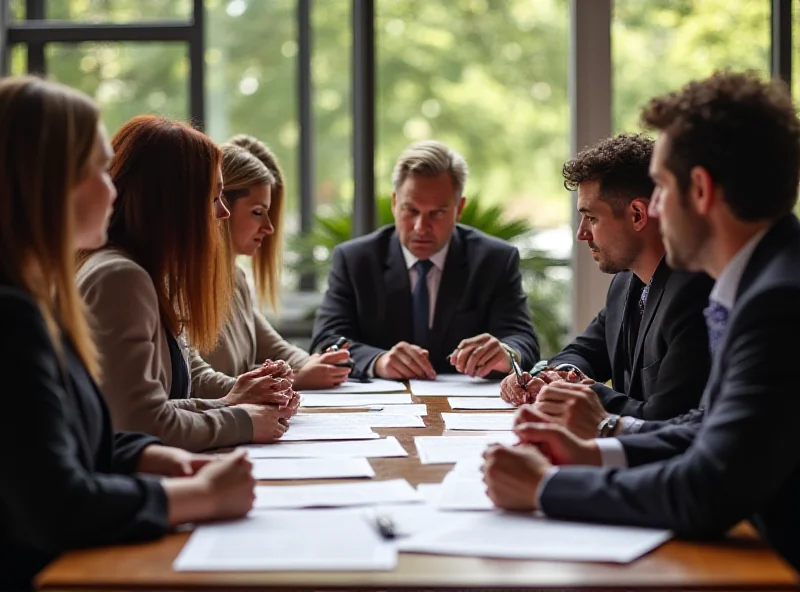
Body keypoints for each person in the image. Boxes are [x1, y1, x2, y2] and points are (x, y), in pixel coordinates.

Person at [482, 71, 800, 571]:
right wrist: (599, 450)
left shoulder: (778, 303)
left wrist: (547, 487)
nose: (653, 208)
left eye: (661, 189)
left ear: (700, 190)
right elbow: (708, 429)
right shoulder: (762, 282)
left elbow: (707, 487)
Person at [0, 76, 256, 591]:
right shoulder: (12, 316)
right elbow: (54, 505)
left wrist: (141, 453)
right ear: (49, 183)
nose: (115, 187)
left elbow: (58, 439)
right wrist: (201, 496)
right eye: (100, 170)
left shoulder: (40, 295)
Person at [77, 116, 298, 452]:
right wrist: (241, 419)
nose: (222, 213)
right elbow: (140, 424)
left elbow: (160, 406)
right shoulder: (120, 278)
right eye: (214, 198)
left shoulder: (147, 274)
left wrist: (232, 401)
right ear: (174, 205)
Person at [500, 134, 713, 437]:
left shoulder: (695, 293)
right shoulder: (625, 283)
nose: (581, 234)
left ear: (638, 215)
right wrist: (550, 376)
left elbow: (666, 418)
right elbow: (584, 351)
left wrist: (584, 395)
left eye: (591, 218)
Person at [311, 140, 539, 380]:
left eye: (437, 213)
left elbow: (523, 341)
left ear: (459, 209)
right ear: (394, 203)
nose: (421, 227)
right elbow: (326, 340)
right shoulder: (355, 260)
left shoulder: (494, 260)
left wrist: (505, 352)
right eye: (411, 211)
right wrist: (379, 361)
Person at [191, 136, 352, 396]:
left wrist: (316, 364)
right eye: (257, 212)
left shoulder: (235, 278)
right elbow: (196, 381)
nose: (269, 228)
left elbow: (275, 347)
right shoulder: (180, 284)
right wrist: (297, 378)